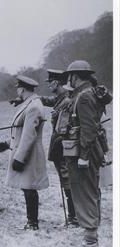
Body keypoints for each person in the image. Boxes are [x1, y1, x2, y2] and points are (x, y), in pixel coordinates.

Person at [59, 60, 112, 247]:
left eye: (70, 77)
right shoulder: (89, 93)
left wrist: (83, 157)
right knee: (89, 192)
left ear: (75, 77)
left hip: (84, 154)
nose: (69, 81)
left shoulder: (84, 97)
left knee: (86, 193)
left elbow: (88, 130)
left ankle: (91, 241)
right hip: (86, 152)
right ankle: (90, 237)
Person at [0, 75, 48, 230]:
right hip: (26, 152)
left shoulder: (33, 107)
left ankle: (33, 223)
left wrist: (19, 158)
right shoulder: (31, 103)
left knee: (29, 188)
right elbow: (21, 133)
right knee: (27, 188)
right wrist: (7, 144)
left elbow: (28, 136)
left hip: (29, 154)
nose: (17, 90)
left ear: (22, 88)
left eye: (18, 87)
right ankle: (31, 222)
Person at [39, 69, 78, 227]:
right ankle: (74, 216)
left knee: (68, 181)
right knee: (66, 180)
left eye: (50, 82)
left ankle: (74, 218)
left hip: (63, 147)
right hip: (60, 146)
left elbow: (63, 130)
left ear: (56, 82)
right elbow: (48, 100)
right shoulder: (60, 99)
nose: (48, 85)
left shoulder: (66, 102)